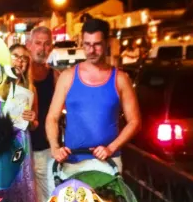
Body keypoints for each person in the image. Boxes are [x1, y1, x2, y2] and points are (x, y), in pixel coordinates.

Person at [46, 18, 141, 175]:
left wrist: (111, 148)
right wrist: (55, 148)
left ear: (106, 43)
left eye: (97, 44)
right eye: (87, 44)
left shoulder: (120, 79)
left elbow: (135, 122)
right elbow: (52, 118)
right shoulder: (67, 76)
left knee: (107, 201)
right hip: (73, 162)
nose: (91, 50)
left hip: (108, 163)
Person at [0, 44, 38, 202]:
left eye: (24, 58)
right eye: (16, 56)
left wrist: (32, 119)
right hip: (4, 145)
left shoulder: (29, 88)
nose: (20, 61)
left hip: (22, 144)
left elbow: (35, 123)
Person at [27, 26, 56, 202]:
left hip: (46, 149)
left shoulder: (55, 76)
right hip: (22, 148)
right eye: (38, 42)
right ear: (29, 44)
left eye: (46, 43)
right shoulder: (17, 75)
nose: (42, 47)